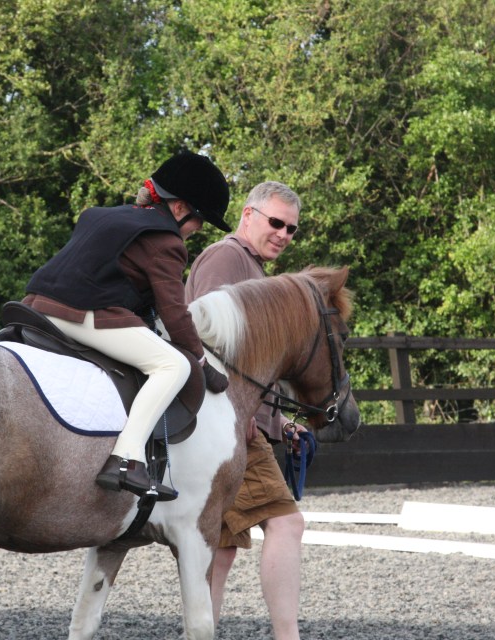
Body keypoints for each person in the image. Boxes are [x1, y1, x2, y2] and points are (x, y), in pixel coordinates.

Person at [22, 150, 231, 500]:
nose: (198, 229)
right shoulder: (165, 241)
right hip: (81, 314)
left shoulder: (104, 215)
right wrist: (201, 362)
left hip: (34, 306)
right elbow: (175, 314)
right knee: (173, 365)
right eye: (200, 219)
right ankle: (127, 458)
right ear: (180, 207)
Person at [185, 180, 306, 639]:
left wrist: (279, 420)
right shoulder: (226, 258)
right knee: (287, 523)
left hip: (232, 421)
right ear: (248, 214)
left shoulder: (251, 267)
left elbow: (249, 359)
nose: (283, 234)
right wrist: (241, 415)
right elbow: (205, 337)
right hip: (229, 424)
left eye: (292, 229)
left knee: (220, 549)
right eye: (276, 222)